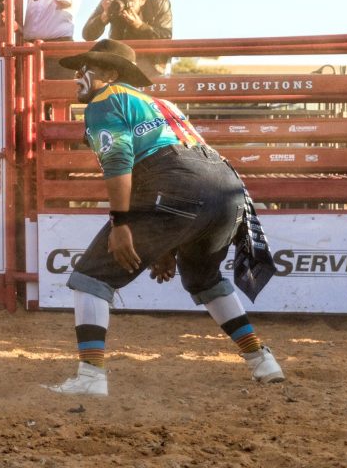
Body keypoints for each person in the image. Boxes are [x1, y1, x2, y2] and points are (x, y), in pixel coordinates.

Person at [45, 39, 285, 397]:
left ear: (110, 73)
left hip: (176, 183)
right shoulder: (162, 104)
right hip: (227, 189)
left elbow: (119, 161)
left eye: (86, 67)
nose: (78, 76)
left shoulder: (104, 100)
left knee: (91, 276)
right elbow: (190, 171)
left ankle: (91, 375)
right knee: (204, 279)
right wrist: (165, 245)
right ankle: (262, 361)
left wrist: (121, 221)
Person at [81, 0, 172, 78]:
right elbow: (87, 35)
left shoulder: (158, 0)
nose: (126, 5)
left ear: (143, 0)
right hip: (120, 59)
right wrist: (104, 16)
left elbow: (166, 36)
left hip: (152, 61)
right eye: (124, 1)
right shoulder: (112, 0)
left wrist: (140, 26)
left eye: (131, 1)